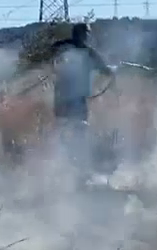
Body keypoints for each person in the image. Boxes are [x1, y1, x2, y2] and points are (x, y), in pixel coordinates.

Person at [49, 23, 114, 181]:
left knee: (67, 133)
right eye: (86, 34)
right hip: (74, 101)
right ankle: (73, 169)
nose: (86, 38)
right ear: (83, 35)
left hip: (62, 101)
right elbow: (104, 69)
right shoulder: (86, 53)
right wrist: (112, 72)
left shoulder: (64, 48)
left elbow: (104, 69)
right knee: (76, 133)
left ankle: (67, 169)